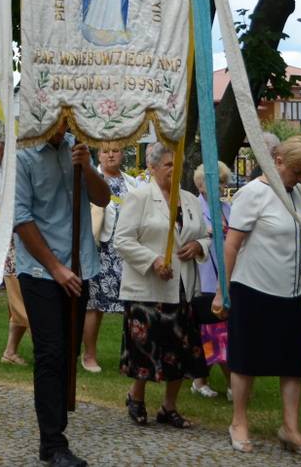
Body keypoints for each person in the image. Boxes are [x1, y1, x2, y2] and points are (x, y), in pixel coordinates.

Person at [212, 134, 301, 456]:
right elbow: (231, 245)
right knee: (246, 361)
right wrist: (222, 291)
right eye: (296, 171)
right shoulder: (253, 193)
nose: (300, 179)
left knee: (293, 364)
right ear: (278, 161)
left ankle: (290, 428)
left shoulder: (295, 192)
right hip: (253, 288)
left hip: (290, 291)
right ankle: (238, 422)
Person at [13, 122, 111, 467]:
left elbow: (102, 198)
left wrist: (87, 166)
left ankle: (53, 435)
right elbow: (21, 219)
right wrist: (56, 268)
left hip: (79, 265)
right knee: (51, 353)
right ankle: (54, 442)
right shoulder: (23, 154)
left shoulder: (76, 147)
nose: (63, 126)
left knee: (68, 352)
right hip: (41, 271)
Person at [113, 142, 210, 429]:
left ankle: (169, 407)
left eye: (178, 164)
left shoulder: (189, 200)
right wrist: (153, 261)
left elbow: (204, 235)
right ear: (152, 167)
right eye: (168, 164)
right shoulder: (139, 197)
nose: (174, 169)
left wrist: (198, 246)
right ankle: (136, 397)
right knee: (145, 347)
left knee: (181, 347)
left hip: (182, 287)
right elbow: (122, 240)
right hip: (147, 288)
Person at [82, 141, 131, 373]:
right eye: (105, 151)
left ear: (122, 154)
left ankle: (130, 357)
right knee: (95, 304)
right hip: (99, 249)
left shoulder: (132, 183)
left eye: (115, 151)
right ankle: (89, 355)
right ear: (98, 156)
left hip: (126, 251)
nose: (110, 155)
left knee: (131, 305)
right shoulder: (92, 179)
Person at [190, 160, 234, 400]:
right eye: (216, 182)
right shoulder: (194, 208)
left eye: (223, 182)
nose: (221, 187)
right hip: (204, 276)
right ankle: (208, 381)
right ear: (201, 184)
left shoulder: (228, 208)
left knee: (220, 330)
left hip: (226, 276)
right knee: (212, 330)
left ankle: (205, 380)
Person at [0, 138, 29, 366]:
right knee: (21, 301)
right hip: (15, 247)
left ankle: (10, 351)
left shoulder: (17, 174)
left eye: (0, 150)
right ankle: (49, 348)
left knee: (20, 302)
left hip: (23, 246)